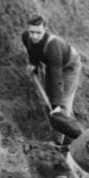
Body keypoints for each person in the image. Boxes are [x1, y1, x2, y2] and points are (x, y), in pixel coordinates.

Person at [21, 15, 82, 145]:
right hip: (52, 65)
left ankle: (56, 142)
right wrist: (34, 64)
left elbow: (56, 78)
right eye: (32, 32)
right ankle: (72, 138)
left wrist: (56, 105)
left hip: (69, 66)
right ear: (28, 30)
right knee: (51, 101)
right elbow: (32, 51)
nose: (35, 36)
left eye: (39, 33)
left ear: (45, 30)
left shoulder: (52, 46)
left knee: (61, 106)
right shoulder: (26, 37)